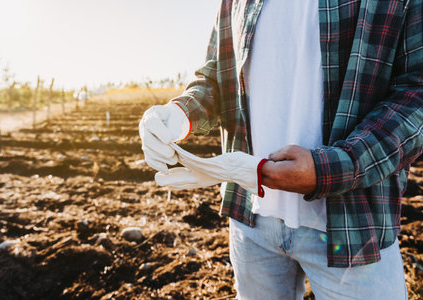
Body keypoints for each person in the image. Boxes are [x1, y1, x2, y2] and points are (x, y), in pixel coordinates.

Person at [139, 0, 422, 299]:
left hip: (352, 225)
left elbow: (415, 94)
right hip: (252, 220)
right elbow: (218, 71)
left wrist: (331, 168)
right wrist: (181, 114)